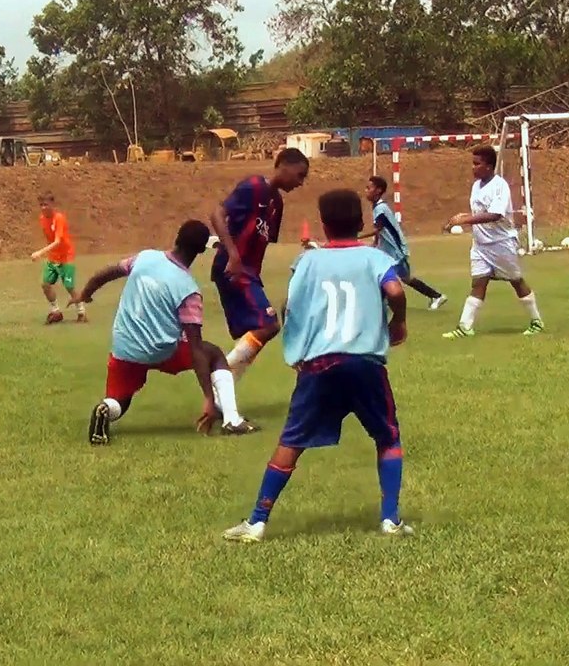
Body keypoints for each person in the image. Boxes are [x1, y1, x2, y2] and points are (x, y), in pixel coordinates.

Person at [222, 189, 412, 542]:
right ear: (360, 223)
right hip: (364, 363)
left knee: (291, 441)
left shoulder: (308, 261)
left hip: (320, 364)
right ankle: (390, 519)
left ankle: (257, 521)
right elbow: (396, 291)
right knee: (387, 436)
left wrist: (299, 350)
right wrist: (397, 321)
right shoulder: (373, 257)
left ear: (323, 225)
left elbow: (290, 306)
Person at [71, 220, 257, 445]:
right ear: (201, 250)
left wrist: (85, 293)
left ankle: (106, 408)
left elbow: (108, 272)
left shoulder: (145, 257)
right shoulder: (188, 290)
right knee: (214, 353)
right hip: (161, 351)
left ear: (176, 238)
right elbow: (196, 347)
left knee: (120, 399)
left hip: (125, 347)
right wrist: (208, 397)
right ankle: (232, 419)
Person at [208, 147, 310, 381]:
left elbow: (262, 237)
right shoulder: (253, 186)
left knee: (253, 334)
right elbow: (216, 214)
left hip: (248, 273)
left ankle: (223, 391)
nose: (300, 182)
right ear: (283, 165)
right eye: (300, 174)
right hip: (233, 268)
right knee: (269, 325)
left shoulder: (277, 203)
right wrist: (233, 254)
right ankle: (220, 377)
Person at [442, 145, 544, 338]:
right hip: (480, 245)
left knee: (516, 281)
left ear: (489, 166)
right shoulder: (476, 185)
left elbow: (495, 214)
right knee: (478, 283)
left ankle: (536, 321)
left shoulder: (500, 186)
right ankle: (465, 327)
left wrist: (464, 220)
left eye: (477, 164)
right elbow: (479, 212)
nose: (473, 167)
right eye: (472, 163)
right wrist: (462, 216)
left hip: (501, 243)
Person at [362, 175, 447, 310]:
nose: (366, 191)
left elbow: (377, 228)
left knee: (385, 276)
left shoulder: (380, 208)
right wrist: (376, 243)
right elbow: (381, 229)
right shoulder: (377, 207)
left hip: (396, 251)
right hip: (389, 251)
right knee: (405, 278)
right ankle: (436, 296)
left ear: (378, 190)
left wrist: (357, 237)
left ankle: (381, 304)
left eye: (369, 188)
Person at [31, 193, 85, 324]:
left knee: (69, 286)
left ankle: (81, 312)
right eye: (41, 205)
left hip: (66, 256)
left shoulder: (59, 218)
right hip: (53, 257)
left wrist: (40, 252)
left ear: (52, 205)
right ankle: (56, 311)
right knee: (45, 284)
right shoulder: (42, 219)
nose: (43, 208)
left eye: (46, 205)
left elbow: (57, 241)